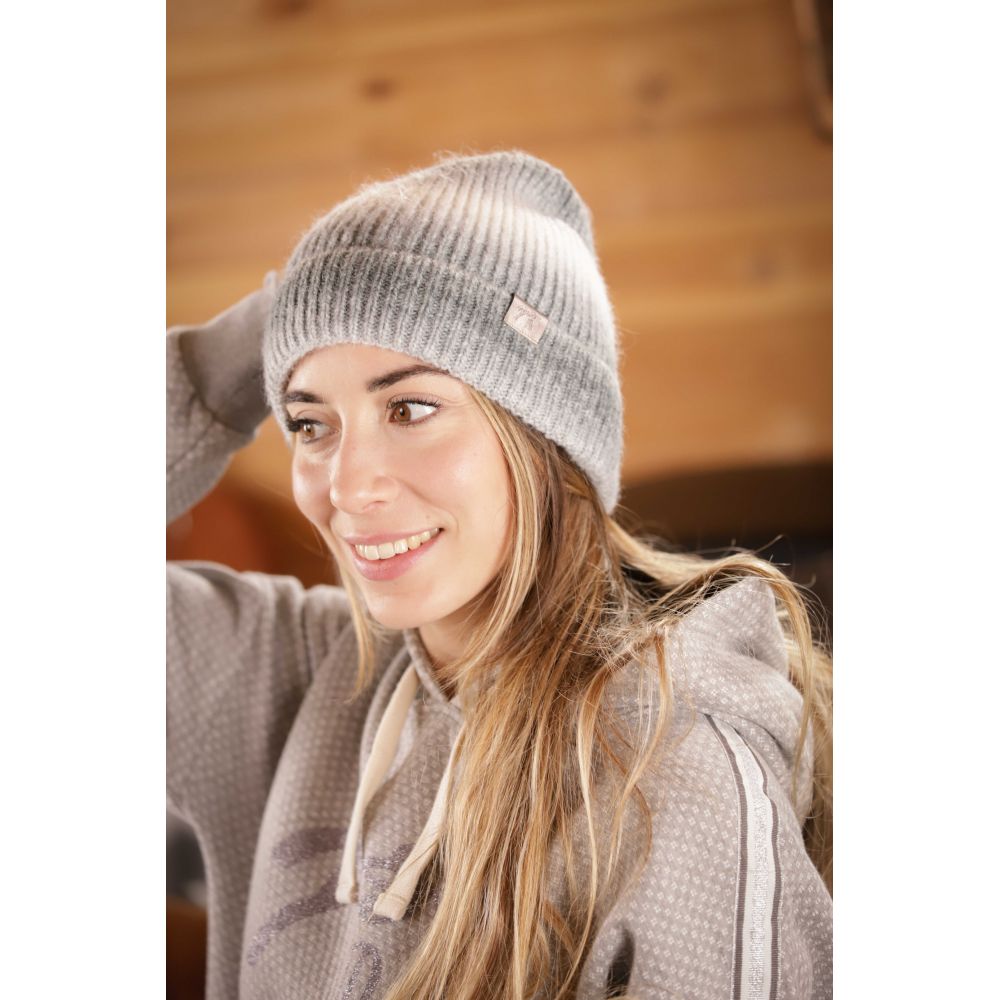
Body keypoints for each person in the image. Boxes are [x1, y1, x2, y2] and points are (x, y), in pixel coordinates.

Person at [167, 150, 833, 1000]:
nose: (347, 486)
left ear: (543, 435)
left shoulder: (674, 775)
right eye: (309, 423)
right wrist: (242, 349)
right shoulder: (283, 673)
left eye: (410, 408)